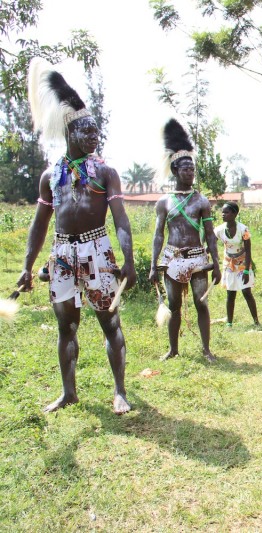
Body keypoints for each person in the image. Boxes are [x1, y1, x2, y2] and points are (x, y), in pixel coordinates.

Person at [19, 59, 136, 414]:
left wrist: (128, 260)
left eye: (96, 131)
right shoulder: (50, 176)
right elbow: (40, 224)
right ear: (70, 133)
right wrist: (27, 266)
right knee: (66, 326)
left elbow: (120, 218)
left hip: (98, 249)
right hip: (63, 254)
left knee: (109, 321)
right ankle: (69, 392)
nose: (94, 136)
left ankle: (120, 391)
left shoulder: (105, 172)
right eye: (87, 131)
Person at [149, 119, 222, 362]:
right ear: (176, 171)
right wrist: (153, 264)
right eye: (185, 170)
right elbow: (158, 234)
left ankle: (207, 349)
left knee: (201, 303)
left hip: (197, 259)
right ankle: (173, 349)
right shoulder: (164, 202)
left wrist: (217, 263)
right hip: (172, 259)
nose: (190, 173)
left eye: (192, 170)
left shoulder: (201, 201)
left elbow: (210, 234)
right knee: (173, 305)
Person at [214, 202, 259, 327]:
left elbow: (248, 250)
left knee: (246, 292)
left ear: (234, 214)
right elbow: (211, 244)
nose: (223, 214)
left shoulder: (243, 229)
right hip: (229, 263)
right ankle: (229, 323)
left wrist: (246, 271)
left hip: (243, 262)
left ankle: (256, 321)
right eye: (222, 212)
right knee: (230, 293)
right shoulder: (219, 230)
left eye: (226, 212)